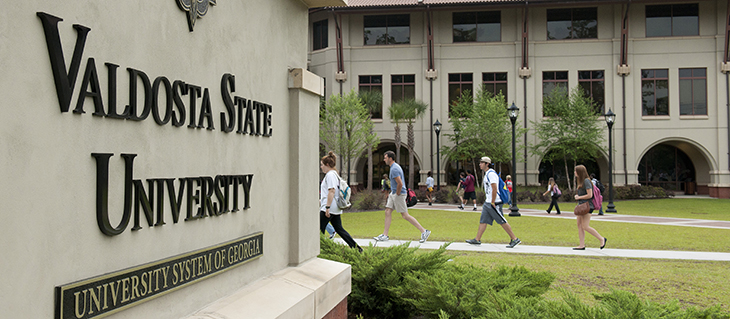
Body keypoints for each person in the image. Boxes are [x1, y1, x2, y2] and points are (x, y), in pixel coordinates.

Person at [373, 151, 432, 243]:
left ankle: (424, 231)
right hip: (394, 193)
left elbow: (400, 183)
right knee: (387, 211)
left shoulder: (394, 169)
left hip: (399, 194)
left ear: (390, 158)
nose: (384, 160)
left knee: (405, 215)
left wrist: (397, 194)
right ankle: (385, 235)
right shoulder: (394, 167)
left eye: (385, 158)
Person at [465, 157, 521, 248]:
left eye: (482, 163)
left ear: (487, 164)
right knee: (483, 220)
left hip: (494, 202)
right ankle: (477, 239)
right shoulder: (487, 174)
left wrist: (492, 202)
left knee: (501, 220)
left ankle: (514, 238)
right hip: (488, 202)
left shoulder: (491, 174)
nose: (480, 164)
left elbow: (494, 188)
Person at [319, 151, 362, 252]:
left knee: (319, 230)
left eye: (322, 165)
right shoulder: (335, 174)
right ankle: (357, 249)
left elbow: (332, 190)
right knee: (340, 230)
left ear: (327, 165)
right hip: (336, 208)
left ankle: (319, 250)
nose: (321, 167)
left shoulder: (330, 175)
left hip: (330, 207)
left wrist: (327, 207)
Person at [573, 165, 607, 250]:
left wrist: (579, 197)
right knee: (579, 225)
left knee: (585, 226)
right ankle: (581, 245)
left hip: (587, 206)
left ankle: (601, 239)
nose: (574, 173)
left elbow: (590, 195)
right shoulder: (581, 181)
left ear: (580, 172)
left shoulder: (586, 181)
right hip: (581, 206)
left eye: (576, 171)